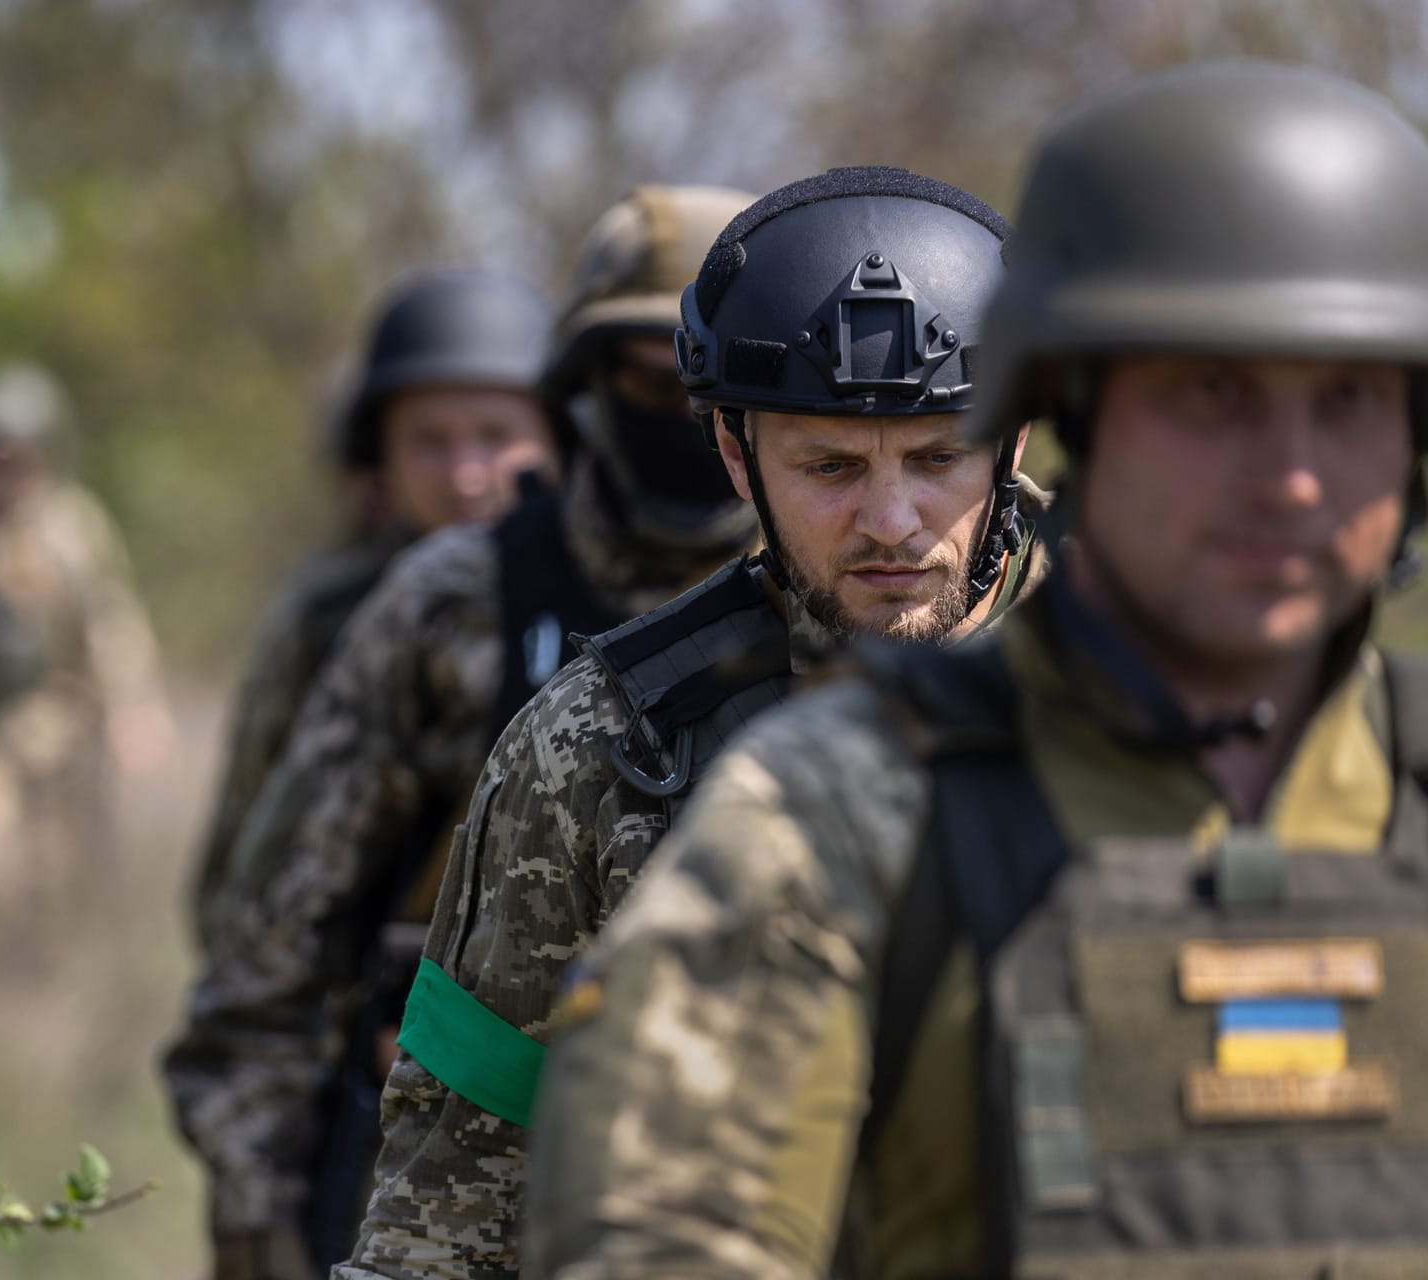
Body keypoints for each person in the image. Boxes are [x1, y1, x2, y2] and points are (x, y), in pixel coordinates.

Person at [527, 60, 1428, 1279]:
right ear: (1075, 405)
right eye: (1213, 396)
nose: (1293, 477)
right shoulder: (835, 813)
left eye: (1350, 399)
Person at [341, 166, 1051, 1280]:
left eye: (937, 457)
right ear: (736, 452)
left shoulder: (1162, 696)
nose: (892, 521)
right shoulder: (599, 745)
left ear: (1014, 443)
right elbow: (447, 1203)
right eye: (828, 466)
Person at [164, 185, 758, 1280]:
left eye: (716, 381)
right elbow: (269, 944)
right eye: (646, 377)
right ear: (582, 388)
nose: (685, 413)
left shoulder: (871, 595)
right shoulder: (457, 598)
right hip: (454, 1181)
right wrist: (259, 1203)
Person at [192, 268, 561, 917]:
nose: (465, 474)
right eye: (429, 441)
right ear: (379, 457)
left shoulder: (619, 602)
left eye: (495, 436)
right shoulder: (328, 616)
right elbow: (243, 852)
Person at [0, 364, 170, 890]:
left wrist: (134, 705)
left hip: (62, 721)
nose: (4, 463)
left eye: (16, 451)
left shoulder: (75, 526)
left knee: (65, 871)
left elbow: (111, 620)